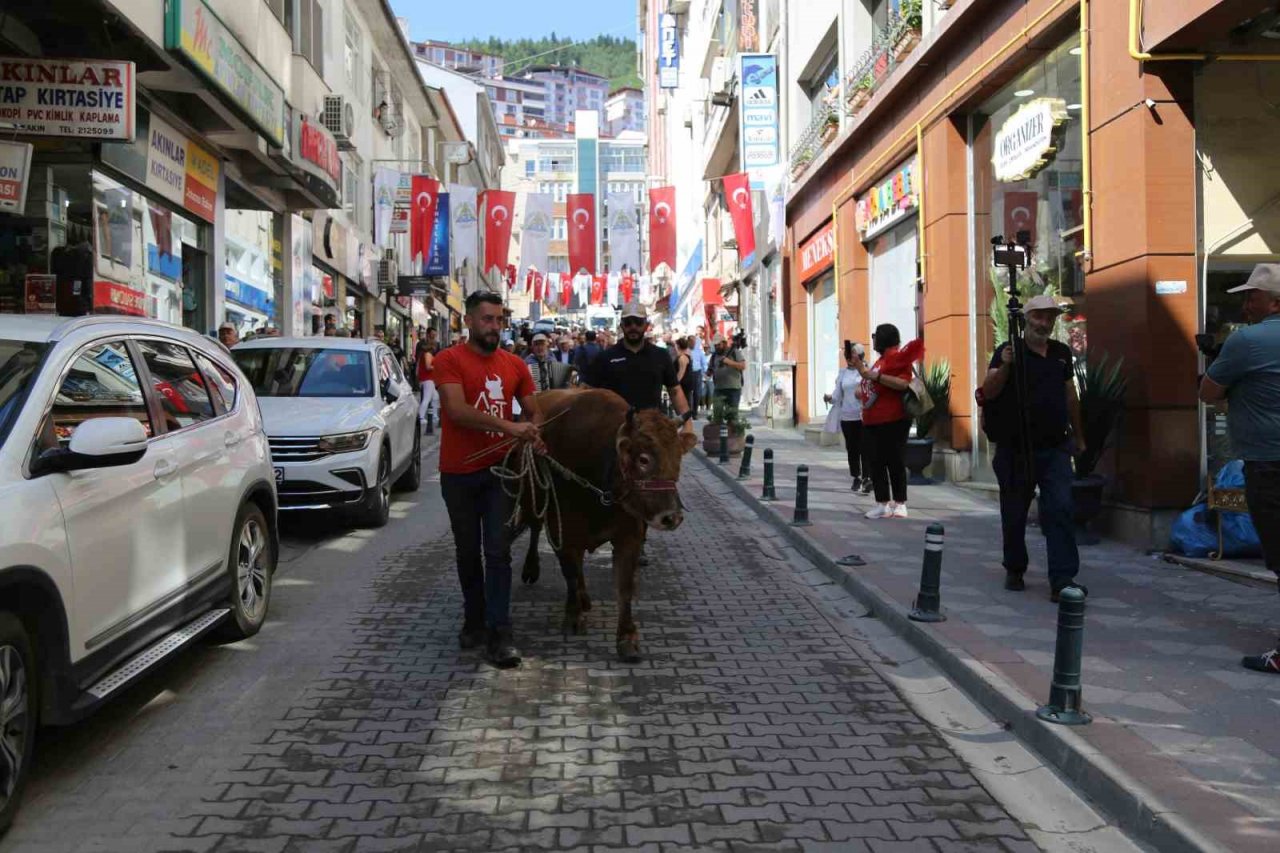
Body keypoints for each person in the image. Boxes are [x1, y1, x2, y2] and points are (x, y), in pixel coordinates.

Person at [434, 291, 544, 668]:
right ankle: (473, 618)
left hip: (501, 473)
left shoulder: (515, 365)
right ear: (468, 321)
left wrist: (534, 432)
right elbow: (456, 410)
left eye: (499, 320)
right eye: (487, 319)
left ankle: (501, 631)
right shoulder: (448, 360)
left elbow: (534, 411)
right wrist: (509, 425)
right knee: (467, 551)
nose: (495, 326)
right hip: (458, 473)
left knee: (497, 550)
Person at [1198, 264, 1280, 673]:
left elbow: (1207, 391)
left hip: (1269, 464)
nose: (1246, 303)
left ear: (1275, 302)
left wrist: (1236, 393)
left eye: (1254, 296)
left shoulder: (1246, 340)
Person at [981, 294, 1083, 600]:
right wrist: (1006, 367)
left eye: (1050, 317)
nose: (1045, 323)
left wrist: (1080, 436)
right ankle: (1015, 568)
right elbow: (988, 391)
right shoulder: (1007, 351)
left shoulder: (1061, 353)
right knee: (1014, 513)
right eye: (1039, 317)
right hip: (1015, 448)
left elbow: (1070, 396)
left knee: (1061, 510)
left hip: (1054, 448)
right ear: (1027, 319)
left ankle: (1063, 580)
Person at [582, 303, 695, 431]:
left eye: (638, 322)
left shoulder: (660, 355)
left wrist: (688, 424)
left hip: (651, 431)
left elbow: (674, 391)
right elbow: (587, 392)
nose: (633, 327)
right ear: (621, 326)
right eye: (628, 323)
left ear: (646, 326)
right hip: (614, 432)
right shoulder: (605, 357)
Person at [852, 324, 923, 519]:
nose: (872, 339)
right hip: (873, 421)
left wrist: (873, 375)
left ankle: (899, 503)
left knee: (894, 461)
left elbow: (902, 383)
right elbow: (869, 383)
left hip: (893, 419)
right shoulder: (880, 361)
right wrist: (862, 383)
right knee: (876, 462)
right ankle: (882, 503)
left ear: (883, 338)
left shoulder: (896, 357)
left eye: (875, 335)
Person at [825, 342, 872, 494]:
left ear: (859, 356)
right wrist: (829, 398)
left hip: (862, 416)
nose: (850, 357)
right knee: (852, 449)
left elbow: (871, 389)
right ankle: (856, 477)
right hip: (847, 417)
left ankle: (867, 478)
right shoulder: (843, 373)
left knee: (865, 447)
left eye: (853, 354)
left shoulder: (865, 371)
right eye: (848, 355)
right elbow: (837, 396)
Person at [711, 334, 747, 413]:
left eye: (718, 345)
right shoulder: (714, 355)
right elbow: (711, 369)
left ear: (724, 343)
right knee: (717, 414)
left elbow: (743, 366)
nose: (717, 347)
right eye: (715, 345)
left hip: (733, 389)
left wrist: (729, 362)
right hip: (718, 389)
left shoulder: (734, 352)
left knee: (732, 415)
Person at [416, 327, 440, 429]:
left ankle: (434, 416)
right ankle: (421, 417)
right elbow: (428, 366)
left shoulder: (424, 353)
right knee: (426, 398)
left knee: (435, 397)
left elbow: (419, 366)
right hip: (428, 378)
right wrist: (437, 367)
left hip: (427, 378)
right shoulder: (428, 354)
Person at [675, 337, 697, 416]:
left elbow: (681, 372)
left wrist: (675, 383)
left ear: (678, 346)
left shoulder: (682, 357)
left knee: (684, 403)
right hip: (686, 382)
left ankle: (686, 418)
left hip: (684, 383)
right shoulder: (686, 355)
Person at [689, 331, 708, 418]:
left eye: (693, 341)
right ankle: (689, 411)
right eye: (690, 341)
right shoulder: (686, 350)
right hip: (688, 373)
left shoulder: (699, 352)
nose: (692, 343)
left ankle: (695, 412)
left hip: (697, 373)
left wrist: (706, 373)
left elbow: (703, 363)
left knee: (697, 393)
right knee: (688, 392)